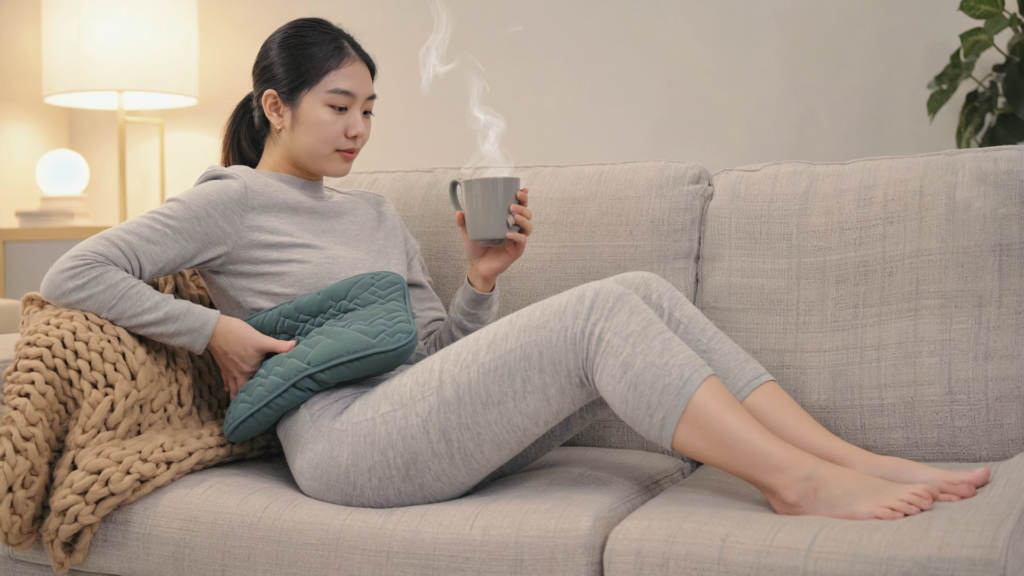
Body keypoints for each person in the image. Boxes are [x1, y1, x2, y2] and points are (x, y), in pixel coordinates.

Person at [39, 17, 990, 521]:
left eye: (370, 108)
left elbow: (435, 355)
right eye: (339, 107)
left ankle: (845, 458)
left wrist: (482, 279)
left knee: (640, 293)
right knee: (600, 316)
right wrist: (215, 329)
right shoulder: (229, 201)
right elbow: (83, 271)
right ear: (275, 105)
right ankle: (796, 483)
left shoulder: (371, 212)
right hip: (346, 447)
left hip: (418, 414)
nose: (361, 130)